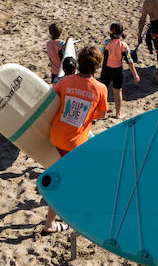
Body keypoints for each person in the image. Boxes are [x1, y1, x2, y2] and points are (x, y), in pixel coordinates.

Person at [42, 45, 108, 233]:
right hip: (75, 144)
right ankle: (50, 224)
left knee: (65, 175)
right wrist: (87, 113)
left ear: (79, 62)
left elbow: (53, 101)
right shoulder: (100, 88)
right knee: (67, 182)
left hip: (55, 137)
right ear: (96, 67)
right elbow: (102, 114)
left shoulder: (65, 81)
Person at [100, 22, 139, 117]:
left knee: (104, 90)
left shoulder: (106, 43)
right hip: (117, 70)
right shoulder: (124, 45)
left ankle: (102, 113)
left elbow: (98, 55)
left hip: (106, 70)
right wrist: (135, 75)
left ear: (111, 31)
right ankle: (118, 113)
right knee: (118, 91)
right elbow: (130, 61)